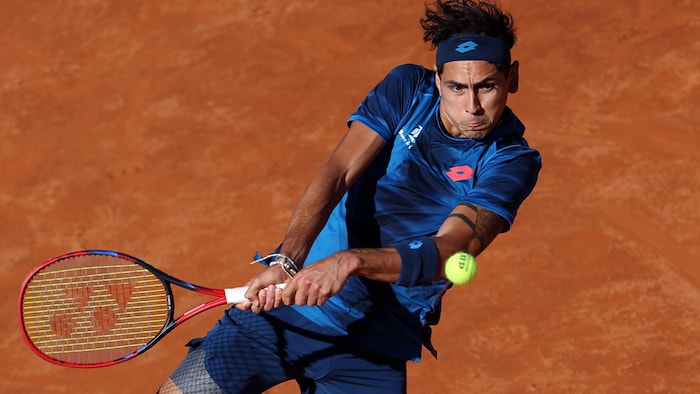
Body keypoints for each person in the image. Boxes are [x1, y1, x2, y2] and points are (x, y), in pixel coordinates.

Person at [158, 0, 541, 392]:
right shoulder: (409, 89)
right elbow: (338, 172)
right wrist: (288, 259)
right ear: (438, 79)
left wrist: (350, 261)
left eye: (486, 86)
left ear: (512, 78)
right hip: (284, 312)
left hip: (374, 348)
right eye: (457, 88)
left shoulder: (511, 161)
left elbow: (450, 253)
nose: (472, 106)